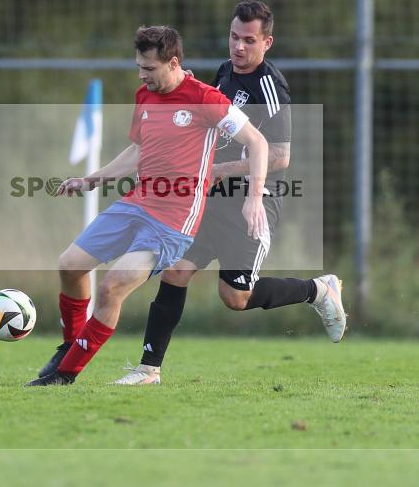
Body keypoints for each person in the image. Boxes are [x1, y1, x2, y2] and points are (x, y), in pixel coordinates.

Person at [113, 1, 346, 386]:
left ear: (267, 42)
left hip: (251, 201)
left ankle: (319, 290)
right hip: (209, 200)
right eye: (234, 37)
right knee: (175, 271)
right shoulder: (224, 72)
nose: (238, 47)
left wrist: (220, 170)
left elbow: (281, 156)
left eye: (249, 40)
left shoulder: (271, 88)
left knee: (235, 297)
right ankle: (148, 370)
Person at [27, 25, 269, 386]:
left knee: (112, 286)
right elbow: (138, 151)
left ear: (173, 63)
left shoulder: (206, 99)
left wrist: (253, 198)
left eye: (150, 68)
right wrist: (90, 179)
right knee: (70, 265)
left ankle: (66, 373)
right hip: (136, 204)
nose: (142, 75)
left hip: (172, 223)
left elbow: (258, 142)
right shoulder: (145, 95)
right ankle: (69, 347)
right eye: (139, 67)